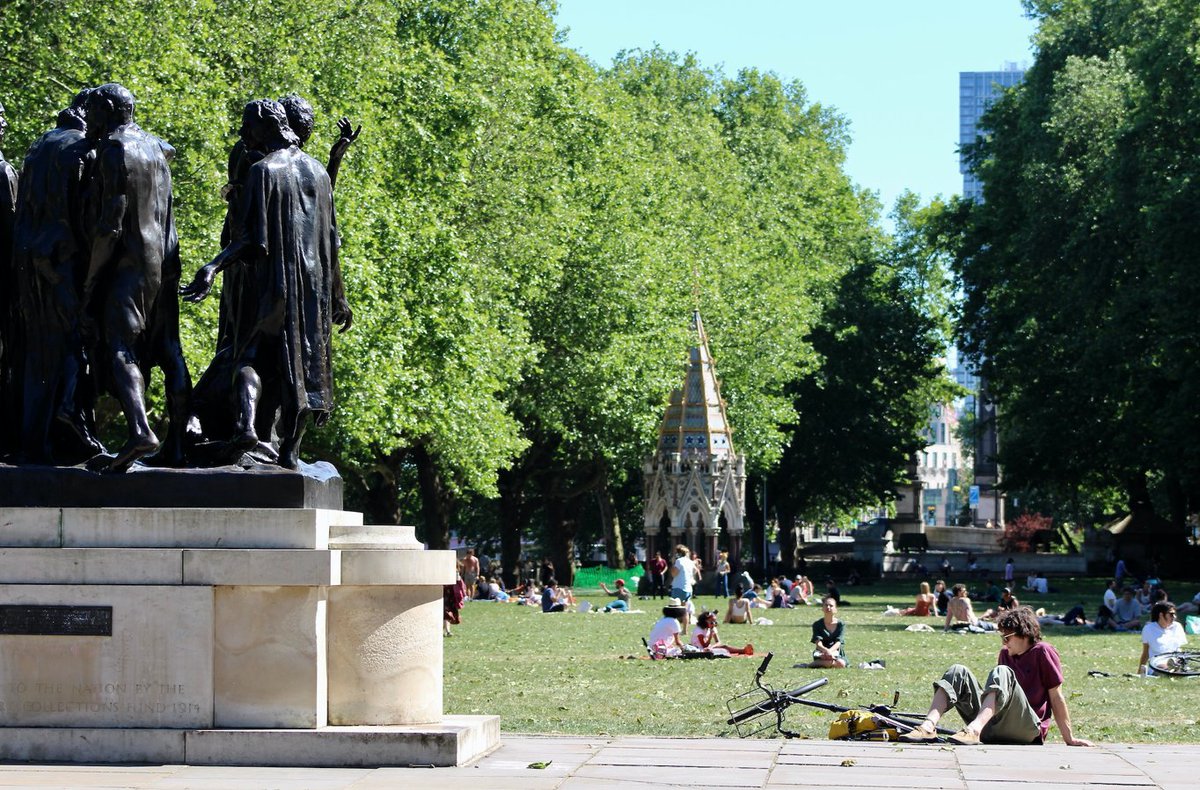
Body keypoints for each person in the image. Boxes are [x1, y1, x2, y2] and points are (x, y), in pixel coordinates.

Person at [181, 98, 350, 469]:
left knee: (249, 356)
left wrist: (211, 266)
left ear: (265, 127)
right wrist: (339, 294)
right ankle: (289, 452)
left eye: (247, 127)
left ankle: (245, 428)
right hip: (312, 288)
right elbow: (331, 238)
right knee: (301, 366)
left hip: (274, 283)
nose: (243, 134)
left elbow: (250, 239)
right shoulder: (319, 172)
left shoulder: (264, 170)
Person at [84, 83, 191, 471]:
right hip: (165, 260)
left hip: (131, 263)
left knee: (119, 347)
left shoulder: (114, 149)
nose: (88, 118)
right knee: (170, 350)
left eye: (94, 110)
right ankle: (178, 442)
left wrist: (91, 281)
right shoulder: (154, 146)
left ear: (110, 109)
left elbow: (110, 227)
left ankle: (140, 430)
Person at [11, 89, 106, 464]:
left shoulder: (38, 146)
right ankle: (66, 437)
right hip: (63, 263)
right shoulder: (83, 148)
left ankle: (34, 441)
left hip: (30, 262)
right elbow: (85, 214)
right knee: (73, 344)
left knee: (37, 356)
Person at [899, 606, 1092, 746]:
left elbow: (1056, 696)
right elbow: (999, 695)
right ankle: (928, 726)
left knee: (1003, 672)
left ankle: (974, 730)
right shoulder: (1005, 654)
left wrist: (1069, 738)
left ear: (1024, 634)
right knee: (958, 671)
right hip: (994, 728)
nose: (1004, 642)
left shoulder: (1043, 651)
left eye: (1007, 637)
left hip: (1027, 729)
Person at [1139, 601, 1187, 676]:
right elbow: (1145, 653)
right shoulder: (1148, 629)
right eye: (1171, 614)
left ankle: (1175, 668)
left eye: (1174, 614)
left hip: (1176, 660)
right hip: (1158, 663)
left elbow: (1179, 649)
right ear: (1161, 615)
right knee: (1166, 670)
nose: (1174, 617)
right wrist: (1140, 671)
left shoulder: (1177, 627)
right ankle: (1172, 669)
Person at [809, 596, 847, 668]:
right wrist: (826, 651)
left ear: (835, 609)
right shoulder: (817, 624)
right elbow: (818, 642)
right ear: (822, 608)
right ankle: (808, 665)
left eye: (831, 606)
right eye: (826, 605)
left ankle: (823, 663)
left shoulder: (841, 624)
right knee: (832, 663)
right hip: (821, 651)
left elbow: (839, 642)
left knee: (841, 664)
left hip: (836, 651)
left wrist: (830, 651)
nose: (828, 607)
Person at [442, 566, 466, 636]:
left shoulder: (455, 575)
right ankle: (447, 631)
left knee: (447, 615)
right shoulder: (445, 575)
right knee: (446, 614)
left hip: (451, 597)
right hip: (446, 596)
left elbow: (460, 585)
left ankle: (446, 630)